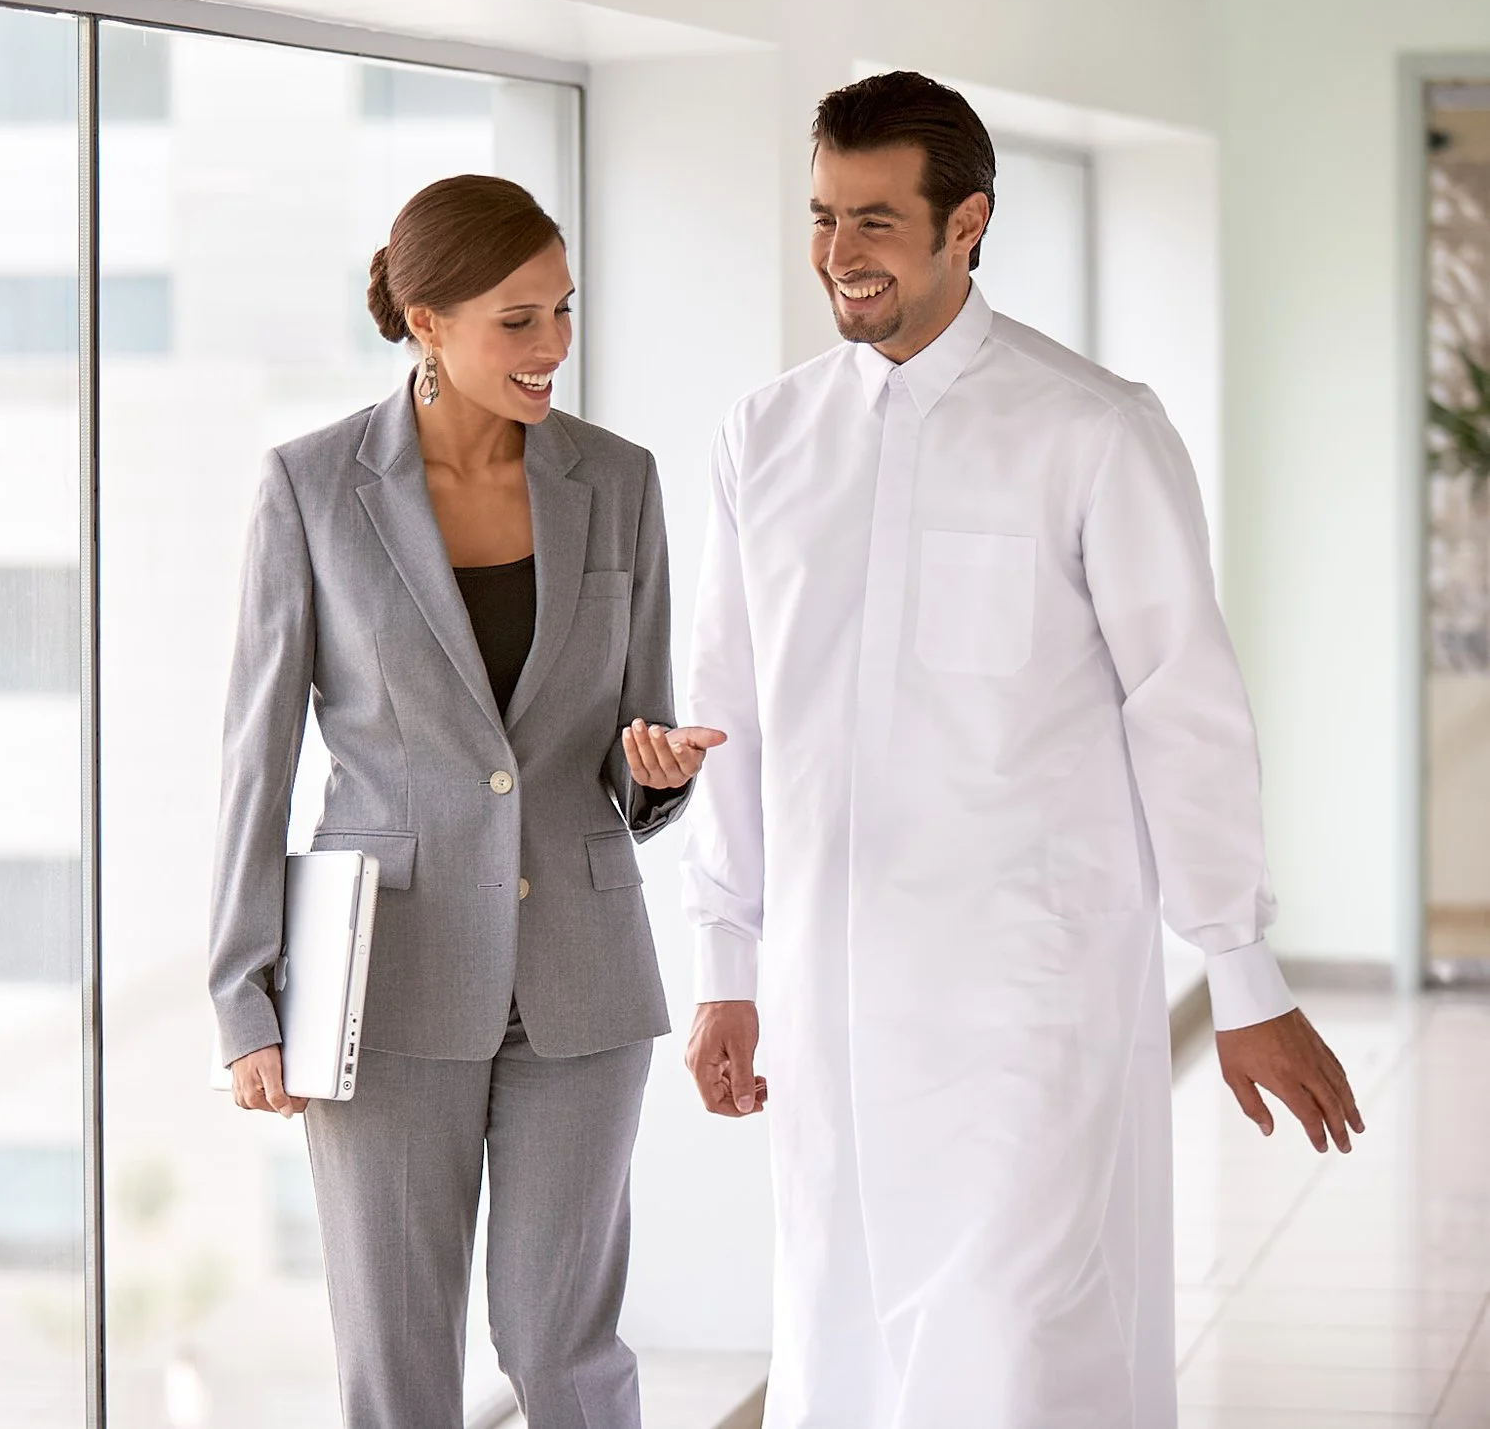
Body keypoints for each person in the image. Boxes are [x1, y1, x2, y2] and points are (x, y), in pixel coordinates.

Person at [679, 71, 1364, 1428]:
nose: (839, 254)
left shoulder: (1092, 426)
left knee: (1014, 1353)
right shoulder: (765, 436)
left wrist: (1241, 968)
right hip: (826, 995)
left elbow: (1187, 706)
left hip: (1023, 1007)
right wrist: (725, 961)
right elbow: (728, 715)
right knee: (840, 1333)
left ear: (967, 221)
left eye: (875, 219)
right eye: (822, 217)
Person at [206, 174, 723, 1429]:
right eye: (517, 320)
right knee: (396, 1361)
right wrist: (244, 998)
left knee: (568, 1348)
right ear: (426, 320)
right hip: (381, 972)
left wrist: (657, 776)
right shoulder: (312, 487)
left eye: (561, 312)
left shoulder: (621, 479)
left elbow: (629, 732)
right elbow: (254, 757)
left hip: (580, 977)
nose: (551, 348)